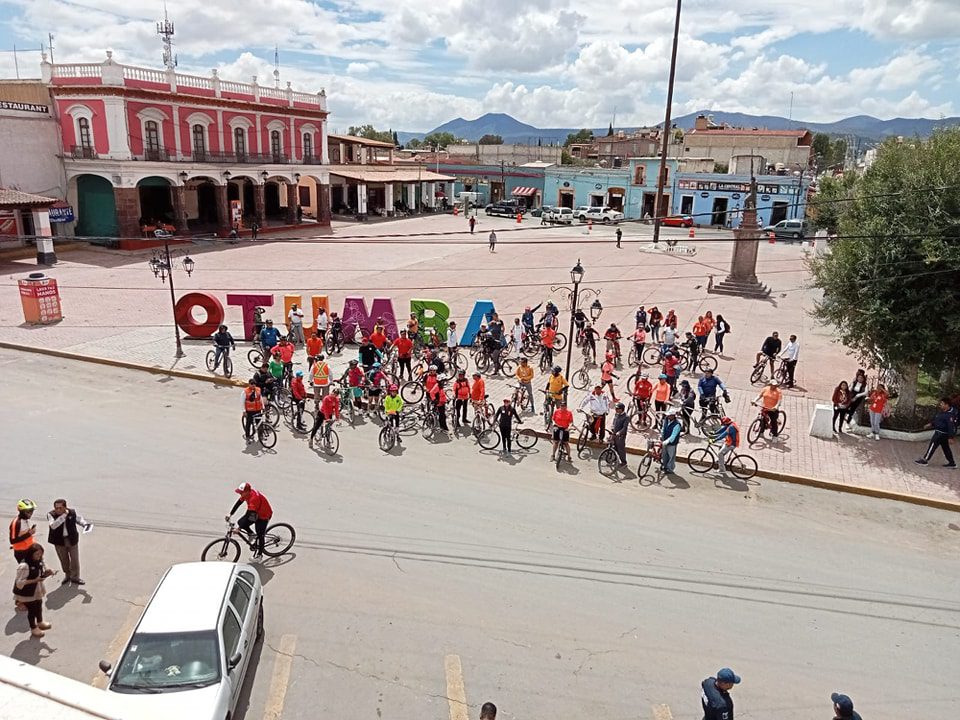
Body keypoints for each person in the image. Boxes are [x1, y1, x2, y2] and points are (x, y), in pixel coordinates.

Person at [14, 544, 54, 637]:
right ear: (31, 554)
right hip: (27, 592)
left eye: (40, 554)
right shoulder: (24, 566)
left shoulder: (39, 560)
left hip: (36, 588)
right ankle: (33, 628)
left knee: (39, 604)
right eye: (37, 554)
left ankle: (40, 622)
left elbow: (43, 565)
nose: (39, 556)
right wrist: (35, 580)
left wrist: (48, 571)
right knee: (32, 610)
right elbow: (19, 583)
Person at [47, 499, 90, 586]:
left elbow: (78, 519)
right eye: (56, 508)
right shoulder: (50, 515)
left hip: (71, 539)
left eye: (60, 508)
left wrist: (85, 524)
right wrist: (63, 516)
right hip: (59, 541)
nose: (58, 510)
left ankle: (75, 577)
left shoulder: (72, 512)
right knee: (64, 559)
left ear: (65, 507)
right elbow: (53, 526)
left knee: (74, 559)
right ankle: (67, 575)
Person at [227, 483, 273, 559]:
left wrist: (239, 529)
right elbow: (238, 503)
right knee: (240, 522)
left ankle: (259, 555)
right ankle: (251, 534)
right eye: (240, 492)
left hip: (264, 515)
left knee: (260, 535)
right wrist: (230, 514)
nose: (240, 494)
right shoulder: (245, 494)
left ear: (247, 491)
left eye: (241, 493)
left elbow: (249, 514)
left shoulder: (253, 498)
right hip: (255, 512)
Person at [915, 397, 957, 468]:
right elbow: (938, 420)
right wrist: (930, 424)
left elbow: (950, 427)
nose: (940, 405)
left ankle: (925, 460)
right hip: (941, 434)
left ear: (947, 405)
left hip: (940, 434)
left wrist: (950, 437)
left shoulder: (949, 415)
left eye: (942, 404)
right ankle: (952, 463)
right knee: (946, 449)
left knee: (932, 445)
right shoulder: (943, 412)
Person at [660, 409, 682, 474]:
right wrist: (661, 435)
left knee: (671, 457)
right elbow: (663, 428)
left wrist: (666, 442)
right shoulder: (666, 419)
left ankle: (670, 469)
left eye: (669, 415)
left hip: (672, 443)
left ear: (673, 416)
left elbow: (673, 436)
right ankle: (665, 466)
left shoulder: (677, 424)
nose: (668, 416)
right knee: (664, 455)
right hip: (664, 440)